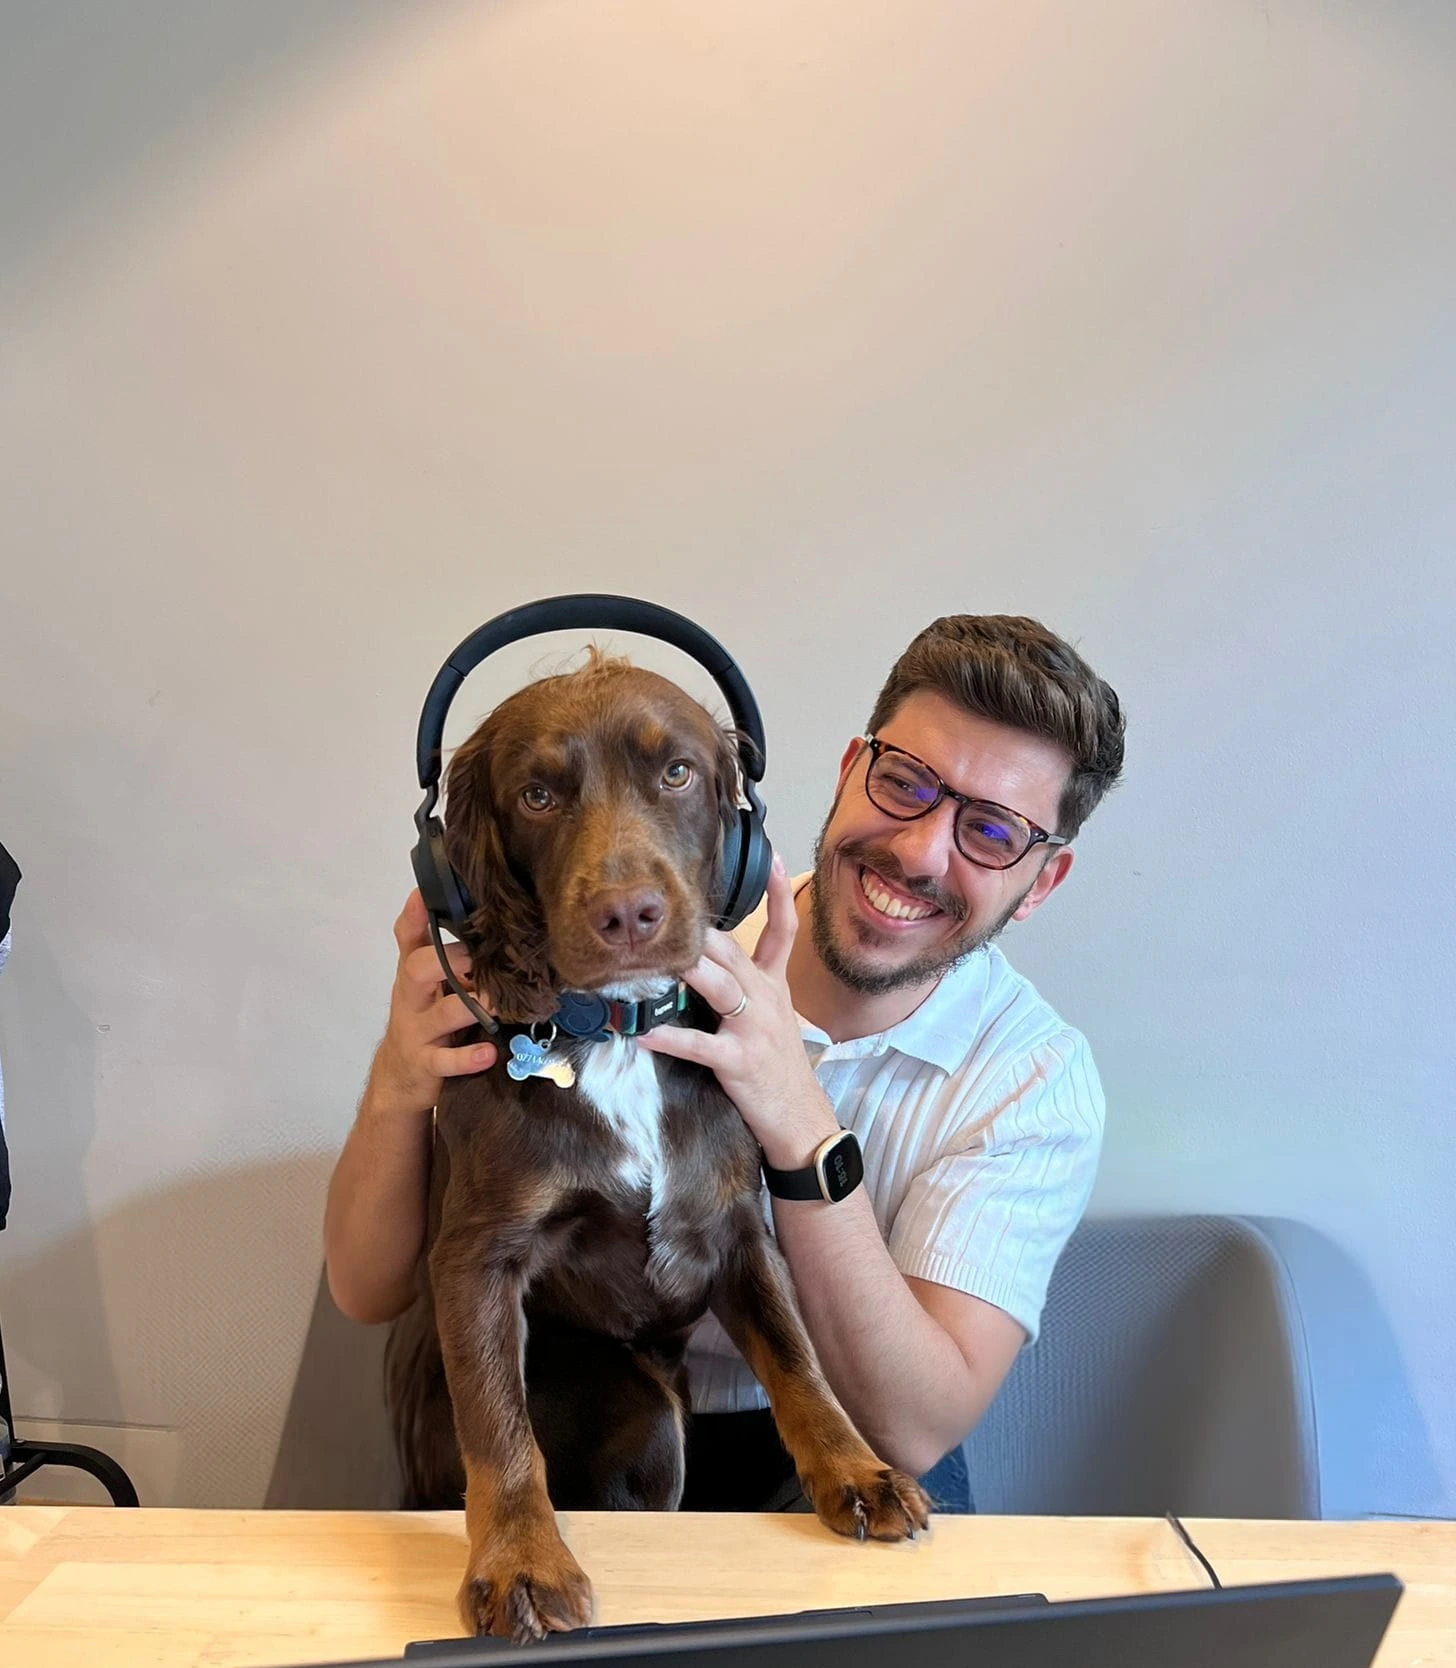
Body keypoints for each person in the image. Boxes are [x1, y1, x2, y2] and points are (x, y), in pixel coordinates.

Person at [324, 613, 1125, 1516]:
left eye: (991, 833)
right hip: (562, 1403)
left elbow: (916, 1426)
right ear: (850, 771)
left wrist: (797, 1115)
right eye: (906, 784)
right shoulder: (563, 975)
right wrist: (400, 1079)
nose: (919, 850)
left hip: (832, 1426)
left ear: (1040, 882)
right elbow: (366, 1288)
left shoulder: (1029, 1079)